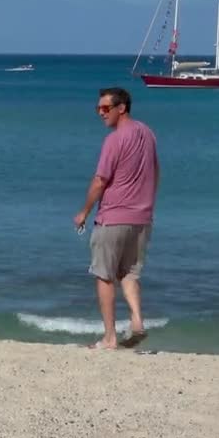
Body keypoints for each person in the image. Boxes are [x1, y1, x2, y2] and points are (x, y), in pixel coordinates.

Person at [74, 87, 160, 350]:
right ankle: (136, 320)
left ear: (121, 108)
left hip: (113, 217)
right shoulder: (147, 133)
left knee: (104, 275)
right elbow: (156, 173)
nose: (101, 113)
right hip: (142, 218)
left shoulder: (114, 140)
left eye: (105, 108)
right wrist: (147, 204)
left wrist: (84, 212)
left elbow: (101, 181)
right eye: (98, 109)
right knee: (130, 274)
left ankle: (110, 337)